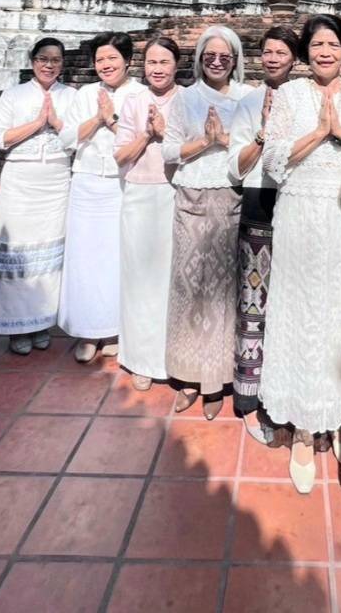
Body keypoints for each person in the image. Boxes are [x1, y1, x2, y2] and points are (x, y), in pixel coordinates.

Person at [259, 14, 341, 493]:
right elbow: (272, 158)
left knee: (340, 314)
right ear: (306, 53)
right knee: (300, 310)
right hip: (300, 213)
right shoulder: (289, 95)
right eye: (317, 45)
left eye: (333, 44)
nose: (325, 51)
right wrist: (321, 132)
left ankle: (337, 415)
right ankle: (304, 428)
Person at [162, 25, 250, 419]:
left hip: (230, 195)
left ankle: (216, 379)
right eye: (209, 55)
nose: (216, 61)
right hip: (190, 196)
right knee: (188, 286)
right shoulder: (185, 98)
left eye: (224, 56)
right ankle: (187, 375)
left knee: (222, 290)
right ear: (199, 59)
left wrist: (226, 139)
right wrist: (206, 142)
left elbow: (258, 146)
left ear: (235, 60)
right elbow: (169, 149)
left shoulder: (249, 98)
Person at [227, 25, 300, 440]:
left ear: (294, 58)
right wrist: (262, 133)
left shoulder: (306, 97)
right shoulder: (249, 102)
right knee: (253, 300)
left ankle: (288, 392)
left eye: (282, 52)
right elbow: (234, 168)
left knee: (291, 300)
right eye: (267, 52)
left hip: (298, 201)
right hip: (258, 197)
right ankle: (250, 396)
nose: (273, 58)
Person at [0, 37, 75, 354]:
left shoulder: (72, 96)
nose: (49, 65)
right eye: (43, 58)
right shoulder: (14, 94)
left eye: (56, 60)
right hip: (21, 180)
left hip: (57, 180)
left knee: (50, 255)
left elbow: (79, 140)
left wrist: (56, 122)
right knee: (18, 253)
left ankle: (41, 321)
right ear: (33, 61)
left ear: (63, 64)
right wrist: (37, 123)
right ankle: (15, 326)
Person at [59, 32, 144, 363]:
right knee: (85, 260)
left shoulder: (140, 93)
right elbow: (67, 138)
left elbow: (140, 139)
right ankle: (87, 331)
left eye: (112, 58)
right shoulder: (86, 94)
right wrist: (97, 117)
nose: (106, 65)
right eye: (100, 60)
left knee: (116, 258)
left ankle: (114, 329)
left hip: (123, 184)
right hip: (86, 181)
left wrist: (111, 120)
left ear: (128, 61)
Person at [114, 34, 181, 392]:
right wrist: (147, 135)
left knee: (168, 279)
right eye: (152, 62)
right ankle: (140, 359)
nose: (157, 69)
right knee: (139, 279)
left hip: (174, 194)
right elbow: (120, 155)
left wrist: (166, 133)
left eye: (164, 62)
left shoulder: (187, 100)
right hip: (139, 194)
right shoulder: (133, 101)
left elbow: (191, 149)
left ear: (176, 65)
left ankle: (169, 356)